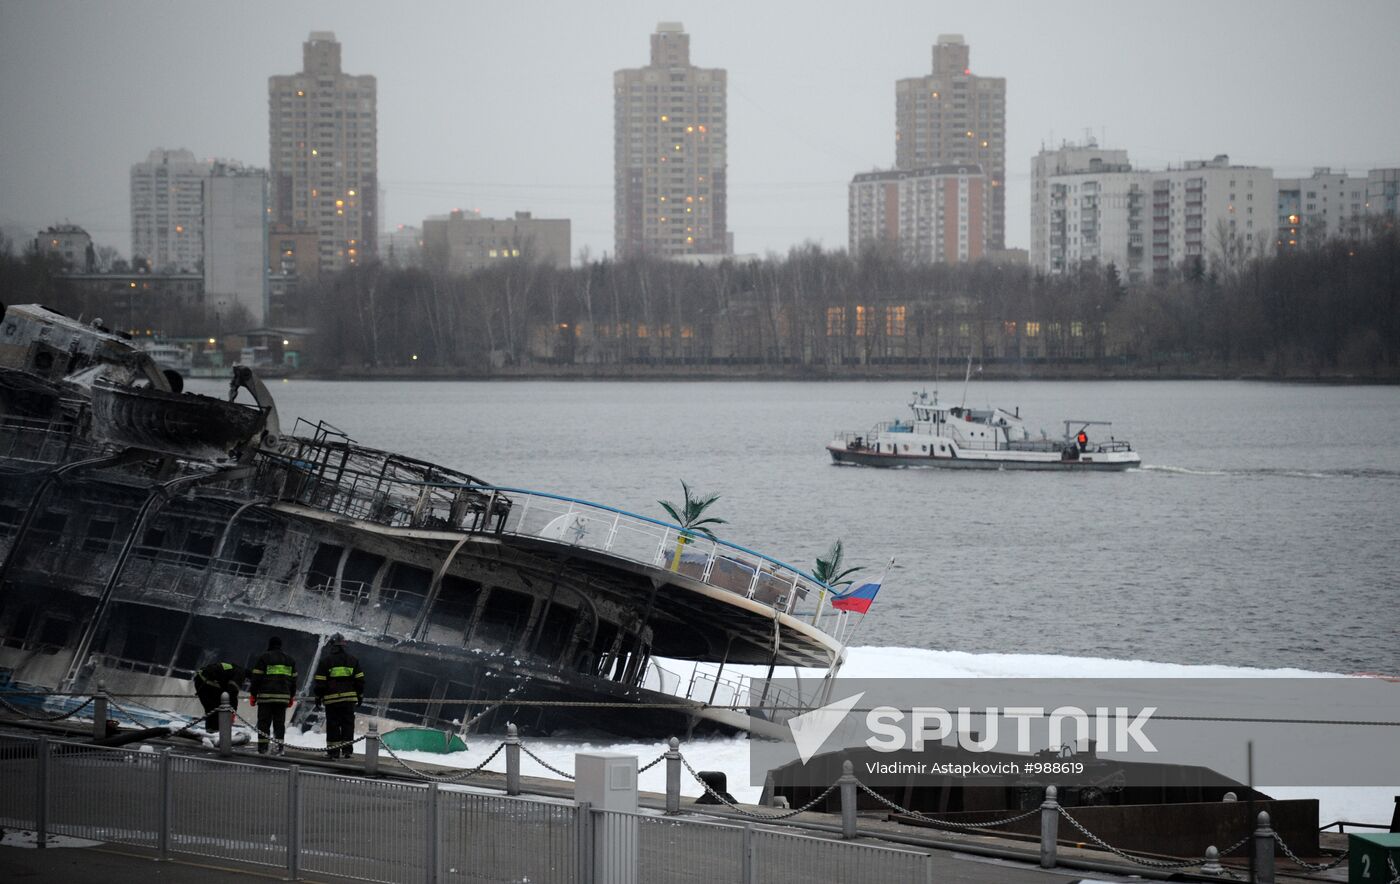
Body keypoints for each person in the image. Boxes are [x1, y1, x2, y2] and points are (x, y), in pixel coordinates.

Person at [313, 633, 365, 760]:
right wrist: (360, 695)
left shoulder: (326, 661)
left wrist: (318, 697)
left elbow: (320, 682)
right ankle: (347, 751)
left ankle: (333, 752)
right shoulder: (353, 660)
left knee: (333, 725)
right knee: (348, 724)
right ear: (344, 645)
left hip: (332, 700)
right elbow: (360, 681)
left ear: (332, 646)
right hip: (348, 700)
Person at [248, 635, 298, 755]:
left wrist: (253, 694)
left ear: (269, 645)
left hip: (266, 697)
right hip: (282, 699)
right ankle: (279, 748)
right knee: (279, 724)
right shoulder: (290, 660)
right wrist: (291, 696)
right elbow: (294, 681)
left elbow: (256, 678)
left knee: (264, 723)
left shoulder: (264, 657)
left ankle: (262, 748)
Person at [192, 660, 246, 733]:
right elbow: (232, 693)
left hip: (200, 681)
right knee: (215, 709)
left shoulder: (233, 669)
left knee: (211, 709)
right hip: (206, 684)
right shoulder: (240, 673)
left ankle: (211, 731)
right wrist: (233, 711)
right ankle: (214, 732)